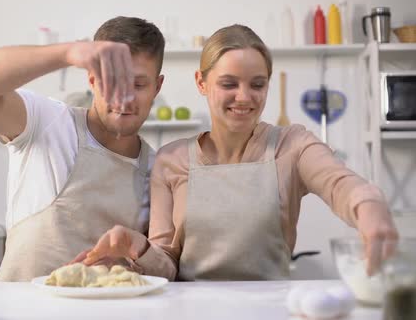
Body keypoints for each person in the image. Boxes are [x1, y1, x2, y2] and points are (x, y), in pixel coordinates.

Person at [79, 24, 398, 281]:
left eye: (257, 84)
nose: (244, 97)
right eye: (229, 84)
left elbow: (340, 183)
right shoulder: (171, 160)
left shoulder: (292, 145)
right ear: (201, 83)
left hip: (271, 310)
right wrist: (139, 247)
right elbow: (166, 266)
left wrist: (369, 205)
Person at [0, 16, 165, 281]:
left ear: (157, 87)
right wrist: (68, 52)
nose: (125, 97)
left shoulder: (157, 170)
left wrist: (127, 261)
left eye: (139, 84)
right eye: (113, 81)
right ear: (93, 80)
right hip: (18, 309)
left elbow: (156, 264)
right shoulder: (47, 123)